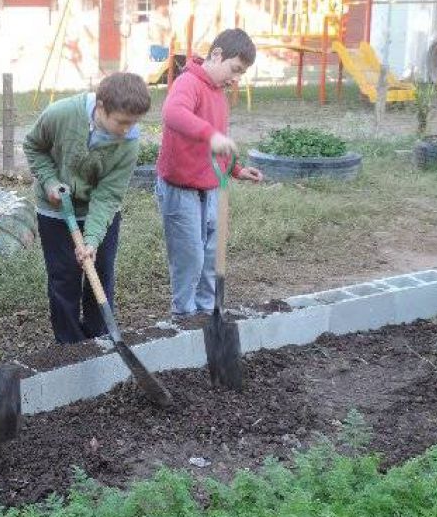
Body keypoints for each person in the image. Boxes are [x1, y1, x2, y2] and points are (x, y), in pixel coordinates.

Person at [24, 72, 151, 343]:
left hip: (100, 211)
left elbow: (108, 196)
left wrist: (91, 240)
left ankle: (100, 341)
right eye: (122, 122)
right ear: (101, 107)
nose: (128, 129)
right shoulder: (62, 114)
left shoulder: (129, 142)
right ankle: (70, 346)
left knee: (100, 274)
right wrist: (48, 180)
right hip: (56, 211)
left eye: (134, 122)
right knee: (64, 279)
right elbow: (34, 146)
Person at [155, 28, 264, 319]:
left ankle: (206, 313)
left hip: (211, 187)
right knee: (190, 257)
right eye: (235, 69)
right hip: (181, 189)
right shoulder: (188, 82)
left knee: (211, 257)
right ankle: (184, 315)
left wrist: (237, 170)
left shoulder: (218, 94)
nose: (236, 78)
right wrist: (208, 134)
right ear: (217, 55)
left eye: (241, 73)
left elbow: (219, 143)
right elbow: (172, 113)